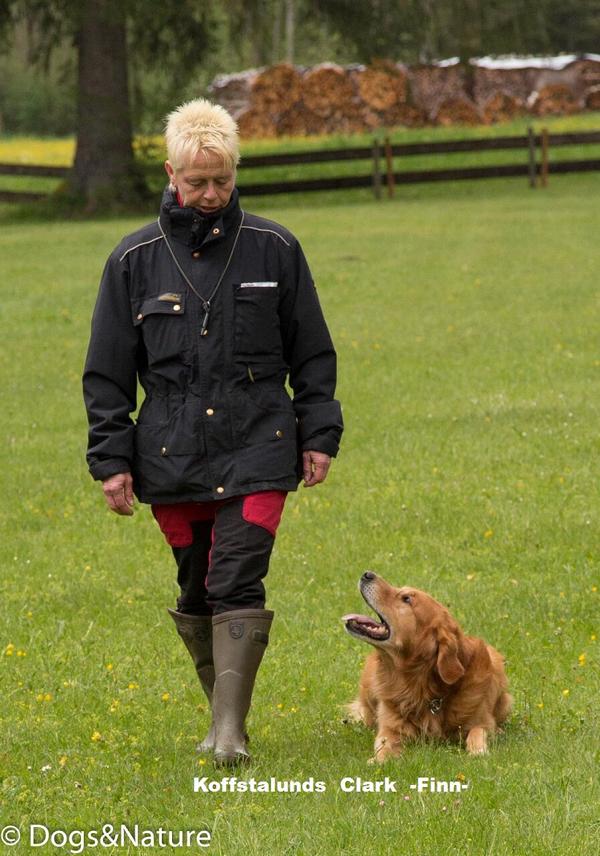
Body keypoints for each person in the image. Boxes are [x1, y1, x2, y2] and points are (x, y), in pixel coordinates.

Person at [82, 98, 343, 765]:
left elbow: (312, 352)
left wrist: (319, 432)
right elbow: (108, 373)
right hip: (169, 456)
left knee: (236, 579)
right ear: (171, 173)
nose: (209, 195)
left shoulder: (276, 249)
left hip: (260, 443)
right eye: (196, 182)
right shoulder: (133, 258)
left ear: (234, 172)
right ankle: (223, 717)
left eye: (221, 181)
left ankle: (229, 735)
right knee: (197, 589)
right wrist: (111, 461)